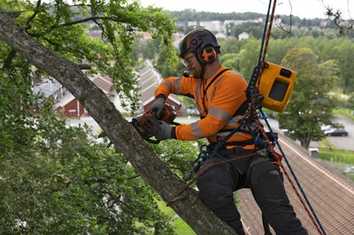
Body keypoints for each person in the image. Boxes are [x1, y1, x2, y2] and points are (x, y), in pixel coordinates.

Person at [147, 28, 307, 235]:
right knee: (209, 183)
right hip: (224, 157)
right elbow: (169, 82)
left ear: (207, 53)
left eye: (189, 59)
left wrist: (170, 132)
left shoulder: (230, 81)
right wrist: (160, 97)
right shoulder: (197, 83)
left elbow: (210, 125)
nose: (187, 65)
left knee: (280, 214)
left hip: (253, 155)